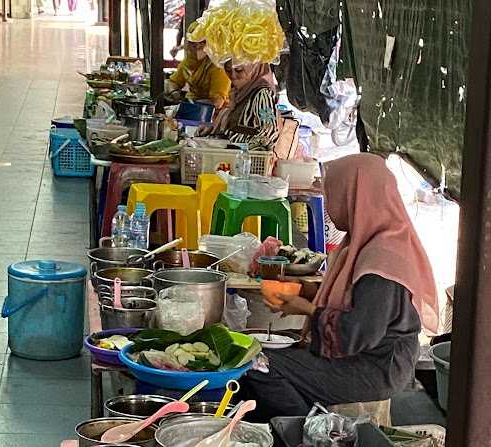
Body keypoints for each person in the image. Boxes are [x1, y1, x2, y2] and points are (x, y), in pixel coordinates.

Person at [239, 153, 439, 422]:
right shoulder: (370, 239)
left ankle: (307, 432)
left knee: (258, 366)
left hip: (375, 367)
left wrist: (308, 309)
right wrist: (302, 290)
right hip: (365, 355)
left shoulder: (384, 259)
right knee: (251, 349)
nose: (331, 205)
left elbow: (356, 332)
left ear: (356, 196)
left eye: (334, 194)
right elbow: (354, 299)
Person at [200, 61, 280, 150]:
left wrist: (242, 149)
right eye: (228, 71)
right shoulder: (237, 93)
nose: (233, 76)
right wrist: (212, 130)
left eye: (239, 70)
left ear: (254, 68)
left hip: (247, 160)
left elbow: (270, 130)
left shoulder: (262, 94)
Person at [165, 26, 231, 110]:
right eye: (193, 42)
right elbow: (173, 82)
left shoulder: (217, 66)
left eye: (202, 42)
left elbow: (218, 102)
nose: (197, 46)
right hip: (190, 106)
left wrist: (193, 104)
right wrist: (174, 92)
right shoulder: (187, 62)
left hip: (214, 113)